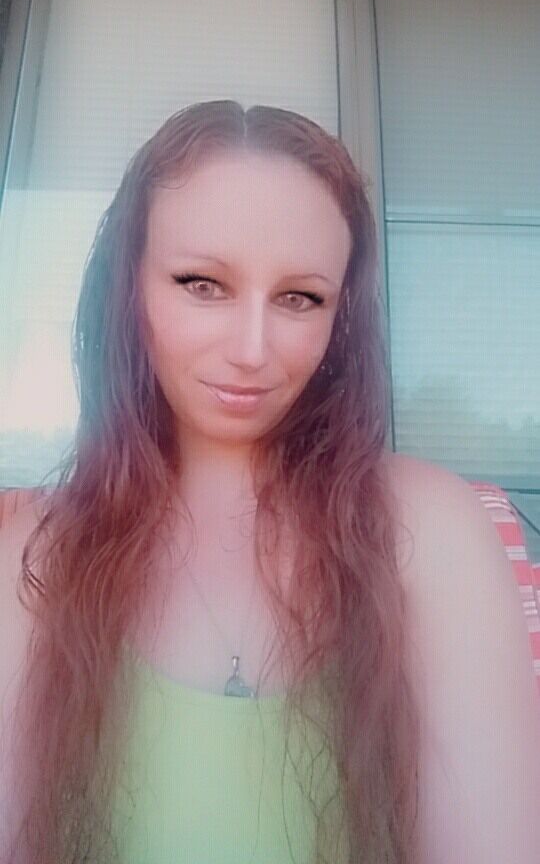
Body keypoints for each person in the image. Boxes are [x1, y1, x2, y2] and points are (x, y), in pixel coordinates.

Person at [0, 100, 539, 864]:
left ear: (340, 316)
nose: (252, 349)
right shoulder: (36, 554)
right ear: (129, 288)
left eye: (299, 298)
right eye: (202, 284)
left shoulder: (429, 531)